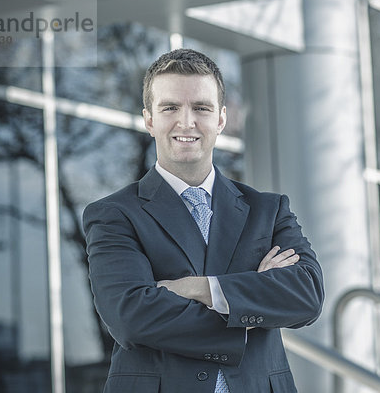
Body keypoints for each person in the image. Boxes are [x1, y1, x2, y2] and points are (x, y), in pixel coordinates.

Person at [82, 48, 324, 393]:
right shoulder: (114, 215)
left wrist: (200, 289)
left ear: (221, 119)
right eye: (170, 108)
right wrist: (249, 304)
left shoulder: (268, 210)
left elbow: (307, 294)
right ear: (149, 119)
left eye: (201, 107)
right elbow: (131, 317)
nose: (186, 122)